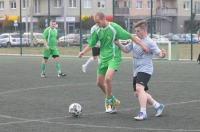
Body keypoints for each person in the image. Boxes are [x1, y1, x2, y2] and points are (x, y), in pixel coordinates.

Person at [78, 12, 149, 114]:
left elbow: (131, 36)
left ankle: (108, 102)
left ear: (104, 19)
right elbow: (91, 43)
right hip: (103, 58)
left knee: (108, 78)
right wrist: (83, 52)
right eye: (95, 22)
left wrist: (143, 45)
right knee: (99, 82)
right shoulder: (97, 30)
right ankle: (113, 100)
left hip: (114, 57)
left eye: (98, 22)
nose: (96, 24)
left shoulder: (114, 27)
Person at [115, 20, 166, 120]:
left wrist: (163, 54)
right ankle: (157, 105)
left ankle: (143, 112)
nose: (136, 33)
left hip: (146, 69)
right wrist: (118, 43)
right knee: (137, 93)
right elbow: (126, 50)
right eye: (136, 31)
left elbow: (159, 53)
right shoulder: (135, 39)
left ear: (145, 30)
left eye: (138, 31)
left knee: (139, 88)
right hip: (136, 70)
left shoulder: (150, 42)